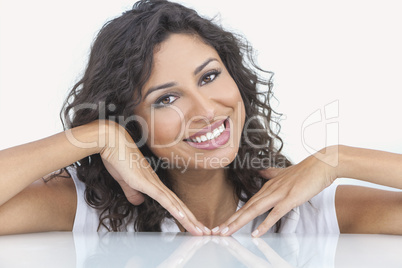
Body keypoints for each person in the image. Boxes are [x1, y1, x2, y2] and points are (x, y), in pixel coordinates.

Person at [0, 0, 401, 237]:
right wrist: (98, 134)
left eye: (209, 77)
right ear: (130, 123)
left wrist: (340, 159)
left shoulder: (303, 210)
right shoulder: (92, 209)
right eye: (166, 98)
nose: (206, 110)